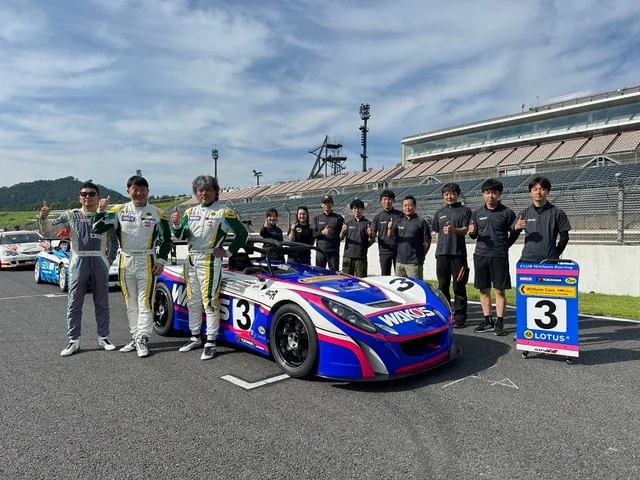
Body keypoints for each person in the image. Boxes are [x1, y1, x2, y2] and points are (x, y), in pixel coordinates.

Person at [93, 175, 172, 357]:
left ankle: (142, 338)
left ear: (148, 192)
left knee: (145, 302)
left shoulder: (158, 213)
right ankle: (136, 337)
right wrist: (100, 211)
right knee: (131, 303)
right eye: (135, 189)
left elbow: (167, 240)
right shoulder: (118, 210)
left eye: (142, 189)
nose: (139, 193)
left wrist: (161, 260)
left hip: (147, 259)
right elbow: (97, 228)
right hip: (126, 259)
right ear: (128, 191)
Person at [171, 175, 249, 360]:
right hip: (191, 259)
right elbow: (181, 235)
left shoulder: (223, 211)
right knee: (193, 300)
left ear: (215, 192)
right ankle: (195, 337)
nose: (204, 193)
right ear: (196, 193)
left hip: (209, 259)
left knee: (209, 300)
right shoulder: (190, 212)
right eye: (200, 190)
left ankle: (211, 341)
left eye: (208, 190)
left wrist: (228, 252)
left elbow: (242, 233)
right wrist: (176, 224)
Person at [38, 182, 119, 356]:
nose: (87, 197)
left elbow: (113, 241)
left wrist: (109, 260)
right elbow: (48, 231)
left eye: (91, 194)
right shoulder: (71, 215)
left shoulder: (107, 216)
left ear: (98, 197)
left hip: (99, 260)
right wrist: (43, 217)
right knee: (74, 301)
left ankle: (103, 337)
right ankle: (73, 340)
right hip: (78, 260)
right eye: (84, 194)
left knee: (102, 302)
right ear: (79, 197)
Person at [468, 179, 518, 336]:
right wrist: (472, 232)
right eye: (488, 192)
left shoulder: (507, 213)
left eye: (494, 193)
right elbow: (473, 235)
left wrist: (506, 245)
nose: (491, 196)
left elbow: (514, 232)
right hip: (480, 255)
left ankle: (500, 322)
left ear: (499, 194)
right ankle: (487, 320)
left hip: (499, 256)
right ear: (483, 194)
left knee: (499, 290)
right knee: (483, 290)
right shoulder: (477, 213)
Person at [432, 183, 473, 328]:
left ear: (457, 195)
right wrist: (438, 251)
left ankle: (460, 318)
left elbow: (465, 230)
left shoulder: (465, 210)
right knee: (442, 286)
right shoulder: (439, 213)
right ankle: (445, 315)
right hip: (442, 255)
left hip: (458, 254)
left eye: (452, 193)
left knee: (459, 286)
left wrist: (454, 230)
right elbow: (437, 234)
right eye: (446, 194)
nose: (449, 196)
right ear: (443, 196)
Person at [513, 176, 572, 263]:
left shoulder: (558, 213)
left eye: (542, 189)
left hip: (548, 261)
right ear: (530, 193)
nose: (538, 192)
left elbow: (565, 237)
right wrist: (515, 228)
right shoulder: (524, 213)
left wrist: (555, 254)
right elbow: (513, 235)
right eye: (535, 189)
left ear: (548, 192)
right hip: (527, 261)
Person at [388, 195, 431, 280]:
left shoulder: (421, 221)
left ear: (415, 206)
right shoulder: (398, 222)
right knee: (399, 286)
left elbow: (427, 241)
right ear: (402, 207)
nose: (407, 208)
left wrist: (421, 256)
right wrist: (389, 228)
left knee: (415, 286)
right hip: (399, 262)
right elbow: (390, 236)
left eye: (410, 205)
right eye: (405, 205)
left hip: (414, 263)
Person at [340, 199, 375, 277]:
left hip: (360, 258)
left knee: (361, 279)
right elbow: (340, 238)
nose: (356, 210)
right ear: (352, 210)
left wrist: (367, 242)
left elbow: (373, 239)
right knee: (346, 279)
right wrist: (342, 231)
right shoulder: (348, 223)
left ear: (362, 209)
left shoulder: (368, 223)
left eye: (359, 208)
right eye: (354, 208)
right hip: (347, 257)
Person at [371, 189, 403, 275]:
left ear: (393, 201)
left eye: (389, 199)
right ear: (381, 201)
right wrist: (370, 233)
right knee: (385, 275)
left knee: (400, 276)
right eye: (384, 199)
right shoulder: (377, 217)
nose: (387, 201)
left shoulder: (400, 215)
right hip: (384, 251)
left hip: (399, 251)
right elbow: (373, 234)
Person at [311, 195, 344, 271]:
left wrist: (343, 231)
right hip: (321, 252)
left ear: (332, 204)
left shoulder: (338, 218)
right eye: (325, 203)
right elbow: (312, 235)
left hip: (333, 252)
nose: (327, 205)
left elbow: (342, 235)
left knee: (334, 274)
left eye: (329, 203)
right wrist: (322, 232)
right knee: (320, 273)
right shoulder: (316, 218)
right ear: (321, 205)